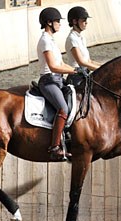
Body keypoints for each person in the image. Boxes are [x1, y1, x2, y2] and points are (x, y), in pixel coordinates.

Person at [37, 7, 77, 161]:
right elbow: (53, 66)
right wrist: (74, 71)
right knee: (63, 108)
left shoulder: (52, 41)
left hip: (58, 80)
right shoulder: (45, 41)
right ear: (49, 22)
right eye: (57, 21)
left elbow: (61, 63)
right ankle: (54, 147)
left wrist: (77, 69)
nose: (59, 24)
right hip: (48, 81)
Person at [65, 6, 101, 72]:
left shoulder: (81, 38)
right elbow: (81, 62)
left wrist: (104, 66)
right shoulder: (72, 39)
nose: (86, 22)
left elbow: (88, 61)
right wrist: (101, 69)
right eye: (84, 20)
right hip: (77, 76)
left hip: (85, 73)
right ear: (75, 21)